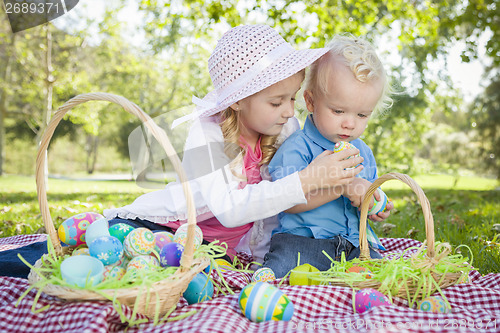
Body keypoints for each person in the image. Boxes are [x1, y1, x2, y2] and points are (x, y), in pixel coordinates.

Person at [0, 25, 364, 279]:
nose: (290, 109)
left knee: (148, 276)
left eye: (291, 98)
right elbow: (231, 209)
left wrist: (259, 262)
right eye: (277, 101)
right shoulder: (206, 134)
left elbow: (271, 214)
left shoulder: (284, 129)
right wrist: (306, 179)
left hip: (210, 253)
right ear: (237, 101)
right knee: (70, 257)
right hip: (159, 228)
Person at [261, 35, 395, 278]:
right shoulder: (297, 147)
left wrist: (374, 203)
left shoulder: (362, 152)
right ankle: (266, 285)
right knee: (281, 269)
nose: (350, 124)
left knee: (384, 276)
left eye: (362, 115)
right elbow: (288, 202)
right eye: (338, 111)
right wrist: (341, 188)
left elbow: (365, 196)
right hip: (303, 242)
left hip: (355, 245)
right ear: (311, 102)